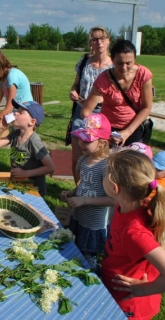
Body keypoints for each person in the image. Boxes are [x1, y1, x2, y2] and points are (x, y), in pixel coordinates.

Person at [101, 149, 165, 319]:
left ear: (115, 188)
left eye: (104, 174)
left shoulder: (134, 232)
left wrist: (144, 289)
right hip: (114, 292)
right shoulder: (127, 203)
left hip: (129, 305)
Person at [60, 113, 116, 268]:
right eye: (80, 138)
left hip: (94, 224)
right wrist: (72, 193)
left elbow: (112, 200)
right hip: (80, 217)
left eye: (87, 140)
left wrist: (84, 200)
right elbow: (85, 184)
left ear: (102, 143)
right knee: (76, 248)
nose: (81, 143)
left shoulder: (105, 167)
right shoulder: (83, 160)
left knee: (88, 259)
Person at [82, 39, 153, 146]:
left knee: (131, 161)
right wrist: (103, 132)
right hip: (109, 129)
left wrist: (127, 132)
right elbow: (85, 112)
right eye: (119, 63)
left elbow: (147, 107)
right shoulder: (103, 80)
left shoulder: (143, 74)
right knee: (106, 161)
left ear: (135, 59)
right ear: (112, 60)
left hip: (134, 128)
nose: (124, 67)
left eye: (128, 63)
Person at [69, 26, 113, 183]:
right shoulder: (84, 62)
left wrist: (101, 99)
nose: (99, 42)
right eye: (94, 39)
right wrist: (73, 92)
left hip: (102, 113)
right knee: (77, 156)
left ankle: (98, 190)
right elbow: (75, 84)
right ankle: (79, 189)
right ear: (90, 44)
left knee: (100, 156)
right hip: (80, 112)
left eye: (102, 38)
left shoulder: (115, 66)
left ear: (108, 41)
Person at [0, 99, 54, 196]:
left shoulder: (34, 141)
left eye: (21, 112)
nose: (15, 114)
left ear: (32, 122)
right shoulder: (15, 134)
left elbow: (50, 167)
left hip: (33, 189)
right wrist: (0, 130)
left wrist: (26, 173)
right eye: (16, 111)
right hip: (19, 184)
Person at [0, 47, 33, 119]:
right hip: (17, 112)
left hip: (25, 114)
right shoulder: (3, 78)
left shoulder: (12, 76)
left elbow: (9, 109)